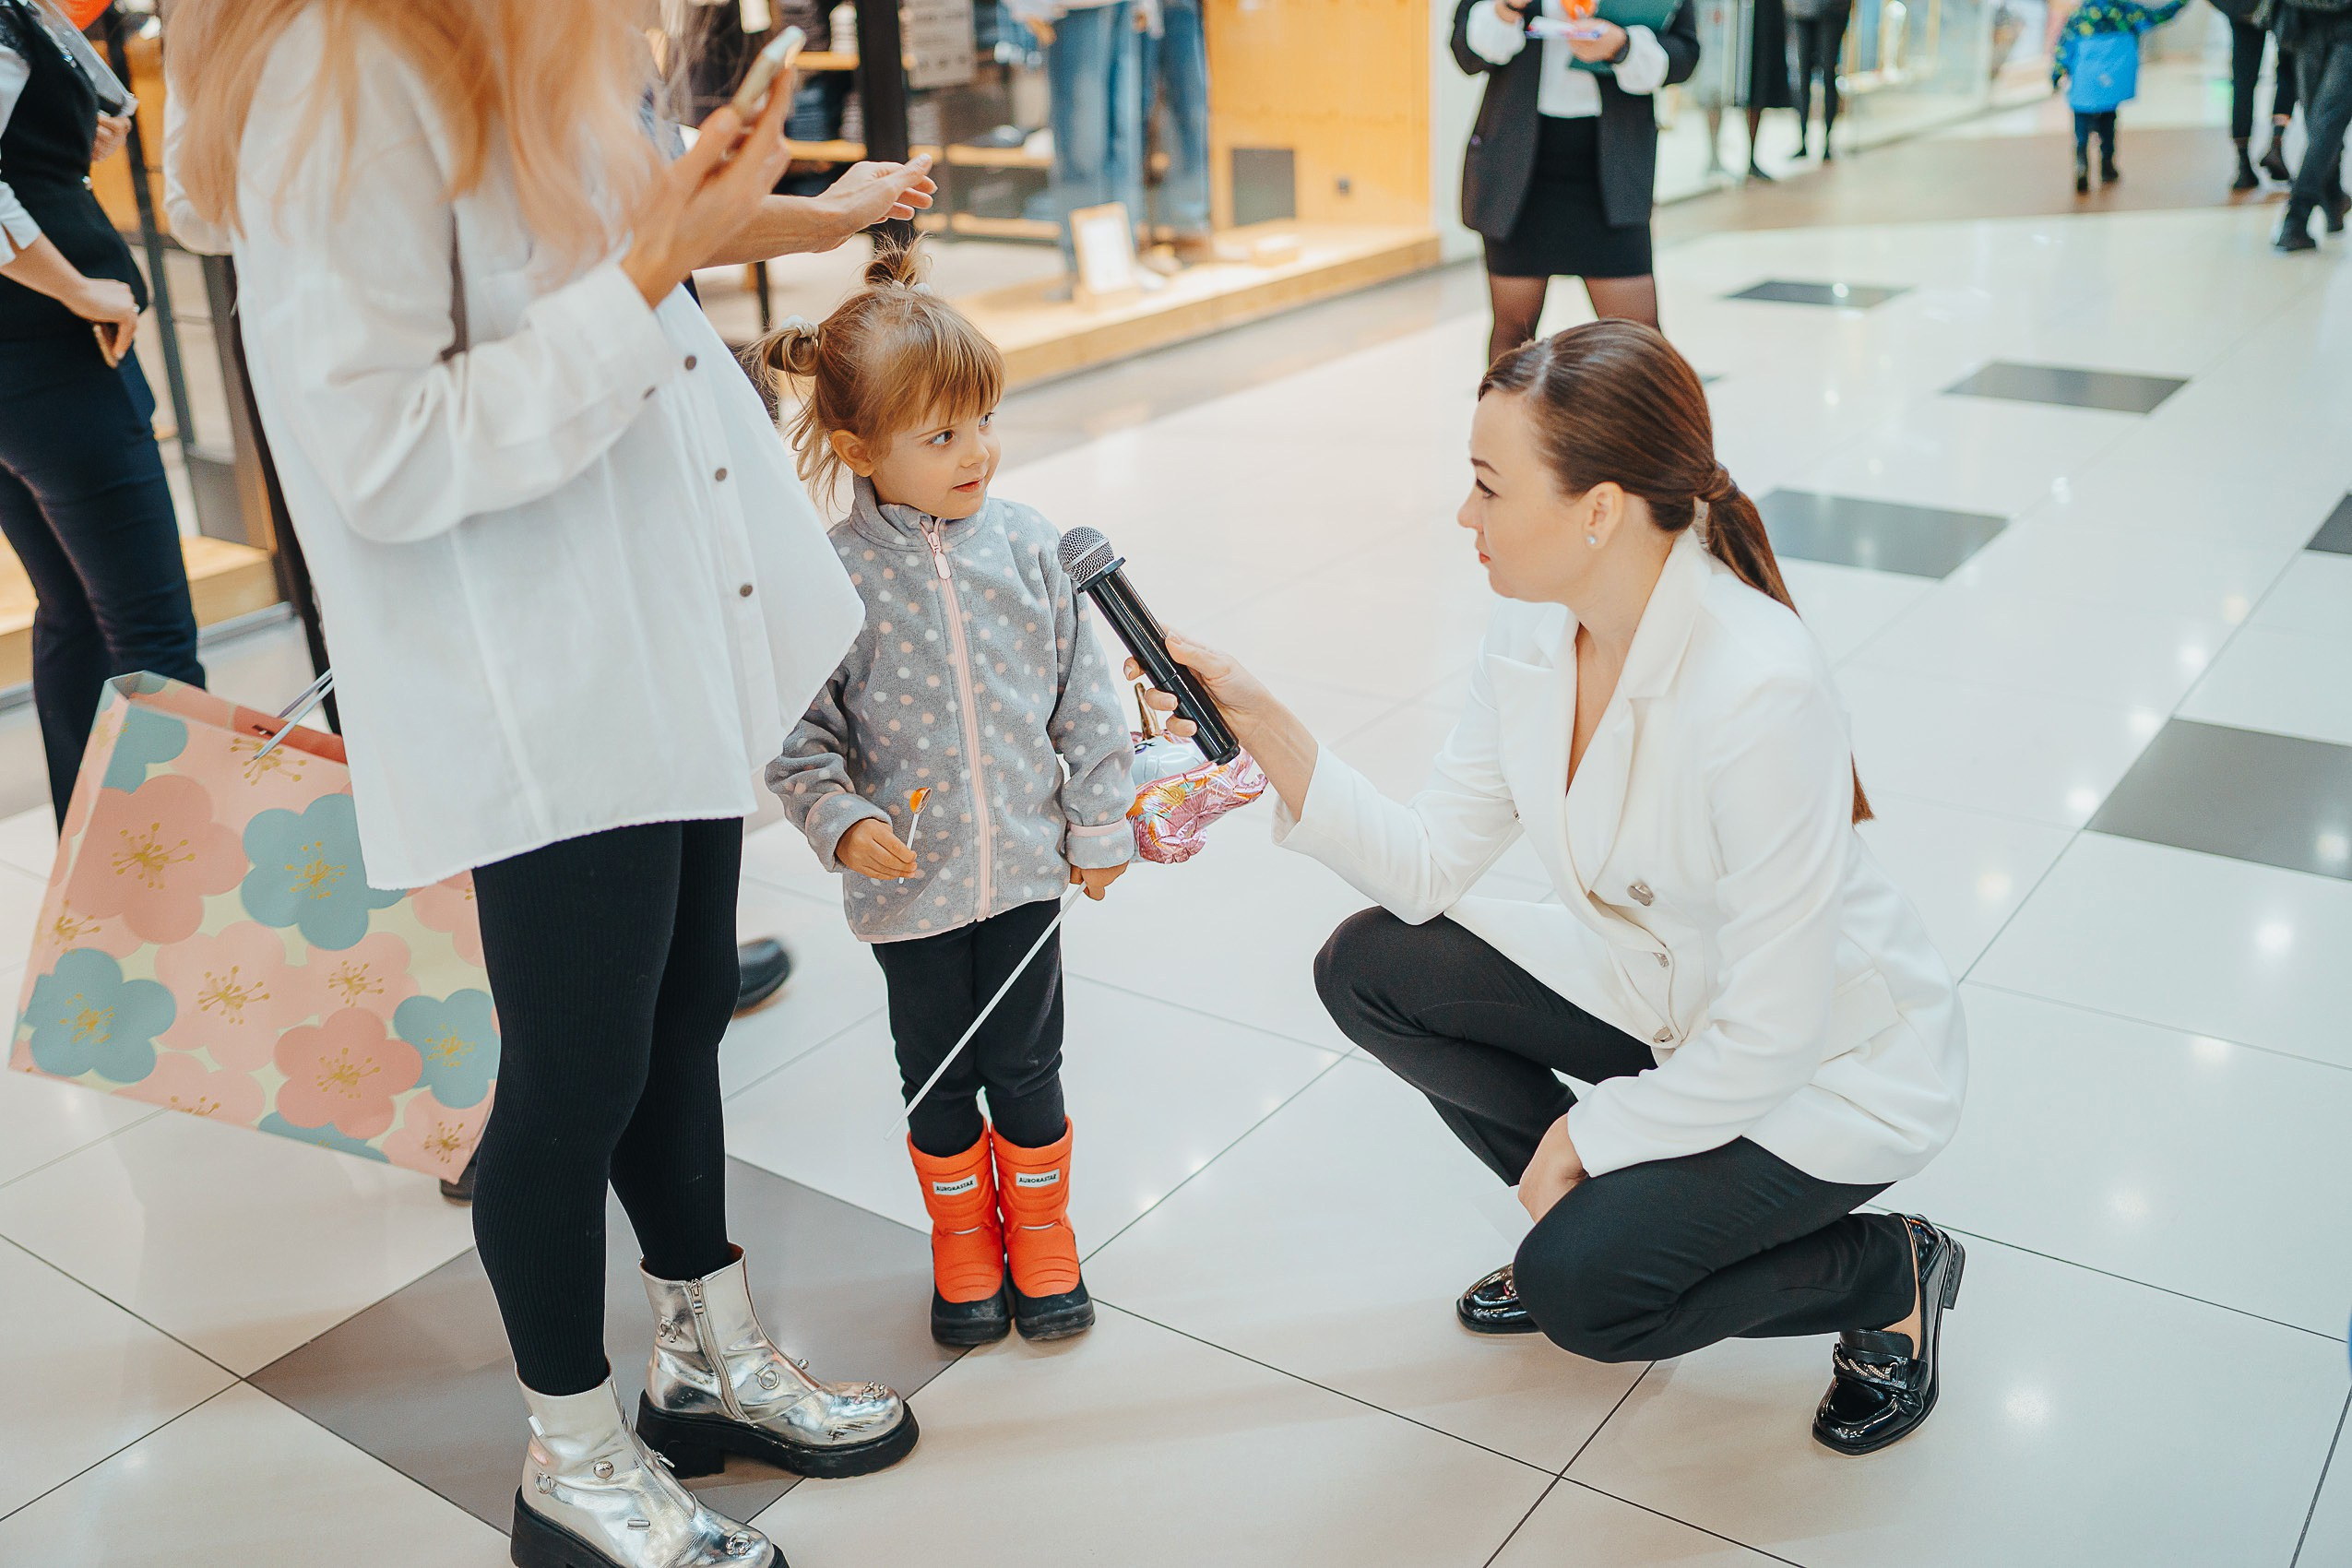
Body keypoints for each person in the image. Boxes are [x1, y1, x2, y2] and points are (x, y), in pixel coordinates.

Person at [164, 4, 943, 1564]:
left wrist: (721, 209)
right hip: (539, 673)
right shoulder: (349, 64)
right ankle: (569, 1464)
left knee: (674, 1016)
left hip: (651, 620)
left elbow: (602, 238)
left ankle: (704, 1361)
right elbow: (378, 450)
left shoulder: (520, 39)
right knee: (571, 1076)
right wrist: (655, 262)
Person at [1132, 319, 1969, 1456]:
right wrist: (1254, 711)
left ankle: (1887, 1270)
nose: (1464, 517)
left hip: (1827, 1061)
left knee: (1593, 1296)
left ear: (1599, 508)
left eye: (1487, 486)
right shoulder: (1534, 633)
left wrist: (1592, 1133)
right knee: (1371, 965)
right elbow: (1426, 868)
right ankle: (1584, 1224)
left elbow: (1774, 1035)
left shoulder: (1759, 687)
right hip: (1674, 1002)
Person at [761, 243, 1136, 1349]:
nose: (978, 451)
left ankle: (1044, 1232)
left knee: (1027, 1062)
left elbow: (1088, 699)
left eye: (982, 421)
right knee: (935, 1068)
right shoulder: (831, 575)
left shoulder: (1028, 547)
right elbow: (799, 737)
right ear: (856, 449)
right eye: (941, 435)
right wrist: (843, 820)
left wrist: (1100, 819)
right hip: (911, 892)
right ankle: (963, 1241)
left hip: (1024, 871)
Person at [0, 0, 204, 823]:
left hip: (35, 372)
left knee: (77, 618)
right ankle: (183, 904)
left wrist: (70, 131)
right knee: (152, 639)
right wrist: (79, 287)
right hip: (54, 362)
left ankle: (98, 903)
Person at [1454, 0, 1702, 364]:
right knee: (1513, 336)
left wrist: (1623, 47)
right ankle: (1504, 423)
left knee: (1639, 345)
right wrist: (1507, 7)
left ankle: (1643, 424)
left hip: (1611, 169)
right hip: (1518, 171)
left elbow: (1685, 54)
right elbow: (1465, 52)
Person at [2051, 0, 2190, 195]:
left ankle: (2081, 163)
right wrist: (2181, 3)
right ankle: (2107, 166)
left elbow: (2064, 49)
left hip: (2085, 82)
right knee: (2108, 124)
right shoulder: (2126, 11)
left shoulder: (2079, 15)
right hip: (2112, 82)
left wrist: (2055, 76)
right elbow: (2157, 17)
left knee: (2081, 128)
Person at [2275, 0, 2352, 250]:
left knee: (2322, 123)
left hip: (2305, 22)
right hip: (2323, 24)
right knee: (2326, 123)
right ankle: (2297, 217)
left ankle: (2330, 199)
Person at [2216, 0, 2299, 190]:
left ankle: (2243, 162)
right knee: (2289, 69)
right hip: (2283, 8)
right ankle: (2276, 144)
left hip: (2244, 9)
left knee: (2243, 81)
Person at [1788, 0, 1853, 161]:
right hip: (1803, 10)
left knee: (1829, 74)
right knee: (1803, 75)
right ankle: (1802, 140)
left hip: (1832, 10)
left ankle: (1827, 142)